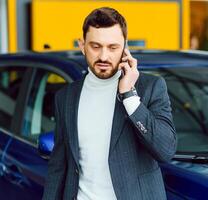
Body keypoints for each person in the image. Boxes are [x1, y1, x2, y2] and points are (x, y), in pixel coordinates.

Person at [42, 7, 177, 200]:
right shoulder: (66, 97)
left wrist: (129, 96)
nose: (104, 56)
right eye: (95, 46)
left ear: (125, 48)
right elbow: (58, 166)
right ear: (82, 45)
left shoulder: (150, 87)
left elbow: (165, 150)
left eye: (113, 47)